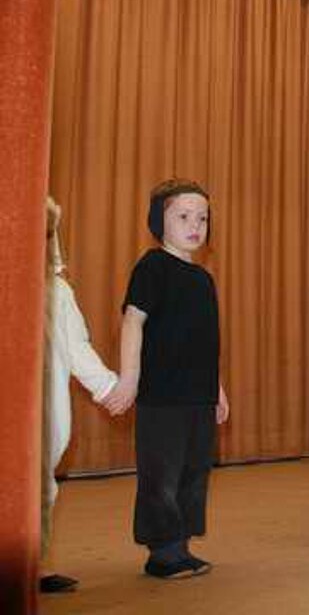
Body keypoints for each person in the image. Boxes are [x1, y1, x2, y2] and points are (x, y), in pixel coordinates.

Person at [103, 179, 230, 577]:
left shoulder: (203, 279)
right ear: (159, 221)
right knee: (162, 475)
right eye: (184, 217)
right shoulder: (152, 267)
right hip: (162, 396)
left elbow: (205, 342)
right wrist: (129, 378)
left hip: (198, 396)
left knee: (194, 473)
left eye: (202, 218)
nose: (195, 226)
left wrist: (218, 389)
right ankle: (162, 553)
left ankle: (180, 546)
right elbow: (133, 321)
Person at [40, 197, 118, 593]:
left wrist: (109, 388)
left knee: (40, 488)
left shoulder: (57, 292)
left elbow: (76, 348)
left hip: (41, 412)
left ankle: (33, 564)